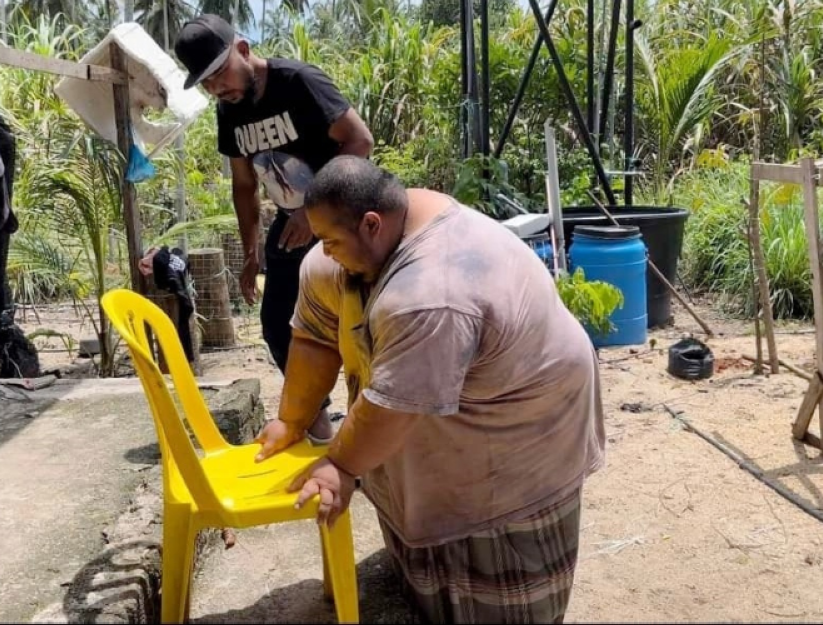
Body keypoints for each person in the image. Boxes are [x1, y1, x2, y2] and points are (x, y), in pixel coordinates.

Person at [255, 156, 606, 624]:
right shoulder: (346, 253)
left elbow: (392, 408)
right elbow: (316, 337)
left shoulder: (431, 292)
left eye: (332, 241)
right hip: (440, 406)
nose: (325, 251)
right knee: (426, 545)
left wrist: (340, 464)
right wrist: (291, 420)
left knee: (501, 579)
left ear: (372, 224)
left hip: (522, 428)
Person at [167, 14, 374, 442]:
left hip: (344, 215)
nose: (217, 88)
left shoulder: (298, 81)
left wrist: (314, 208)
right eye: (206, 82)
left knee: (363, 323)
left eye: (220, 72)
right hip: (290, 222)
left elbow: (360, 142)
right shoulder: (230, 110)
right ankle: (317, 421)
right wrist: (250, 253)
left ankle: (373, 430)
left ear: (243, 49)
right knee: (277, 323)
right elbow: (244, 185)